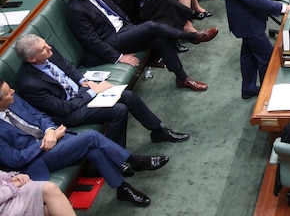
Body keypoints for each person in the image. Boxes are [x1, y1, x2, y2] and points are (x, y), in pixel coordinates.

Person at [0, 81, 161, 207]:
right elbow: (14, 160)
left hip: (54, 138)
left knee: (95, 151)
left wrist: (50, 130)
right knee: (91, 137)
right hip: (36, 159)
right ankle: (134, 160)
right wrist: (47, 140)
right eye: (8, 93)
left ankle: (123, 189)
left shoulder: (14, 100)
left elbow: (39, 115)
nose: (13, 92)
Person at [14, 34, 188, 148]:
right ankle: (118, 156)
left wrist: (84, 81)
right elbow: (63, 109)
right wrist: (92, 91)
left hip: (83, 92)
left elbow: (67, 65)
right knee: (119, 110)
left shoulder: (47, 50)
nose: (49, 48)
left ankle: (157, 131)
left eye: (46, 44)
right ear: (31, 59)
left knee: (128, 96)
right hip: (69, 113)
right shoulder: (29, 83)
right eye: (44, 49)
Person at [65, 0, 214, 92]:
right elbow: (92, 41)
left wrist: (131, 27)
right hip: (110, 40)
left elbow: (116, 10)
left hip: (124, 30)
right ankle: (191, 36)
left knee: (159, 39)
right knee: (150, 26)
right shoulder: (75, 10)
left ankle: (182, 79)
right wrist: (118, 57)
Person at [0, 168, 76, 215]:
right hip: (5, 204)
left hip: (10, 197)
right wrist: (12, 186)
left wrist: (12, 177)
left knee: (51, 191)